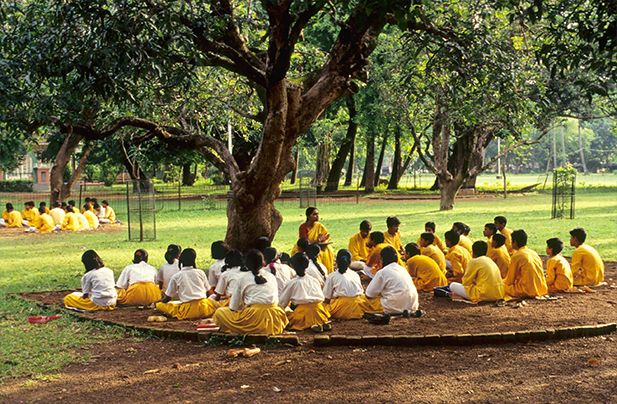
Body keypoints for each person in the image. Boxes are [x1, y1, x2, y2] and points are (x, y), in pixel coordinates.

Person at [213, 250, 288, 334]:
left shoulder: (242, 279)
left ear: (246, 265)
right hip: (274, 320)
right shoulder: (271, 276)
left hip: (253, 318)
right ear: (264, 263)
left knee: (219, 313)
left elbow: (234, 307)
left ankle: (244, 329)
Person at [155, 249, 217, 320]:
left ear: (181, 260)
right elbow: (208, 292)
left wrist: (157, 302)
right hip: (204, 308)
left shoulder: (176, 276)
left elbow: (168, 298)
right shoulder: (200, 273)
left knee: (161, 305)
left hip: (187, 311)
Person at [361, 246, 419, 315]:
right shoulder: (402, 269)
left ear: (382, 259)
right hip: (412, 306)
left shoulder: (382, 272)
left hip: (392, 308)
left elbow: (369, 294)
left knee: (361, 301)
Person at [279, 253, 330, 331]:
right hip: (319, 311)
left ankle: (310, 325)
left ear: (292, 266)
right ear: (307, 265)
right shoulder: (314, 280)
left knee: (288, 315)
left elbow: (282, 303)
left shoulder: (292, 283)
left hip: (303, 314)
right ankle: (319, 323)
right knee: (318, 317)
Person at [504, 230, 548, 298]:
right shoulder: (534, 253)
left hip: (526, 290)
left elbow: (510, 280)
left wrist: (501, 281)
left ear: (515, 242)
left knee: (501, 287)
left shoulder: (516, 256)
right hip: (541, 289)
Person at [323, 249, 365, 320]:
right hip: (357, 309)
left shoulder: (332, 276)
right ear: (350, 263)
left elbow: (327, 298)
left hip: (341, 309)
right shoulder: (355, 274)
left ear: (336, 261)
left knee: (320, 308)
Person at [295, 207, 335, 273]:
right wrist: (316, 241)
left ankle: (328, 272)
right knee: (318, 255)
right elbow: (304, 242)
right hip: (306, 247)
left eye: (317, 214)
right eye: (314, 214)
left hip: (319, 247)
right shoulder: (303, 227)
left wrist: (323, 240)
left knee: (329, 251)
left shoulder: (320, 226)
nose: (317, 216)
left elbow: (326, 237)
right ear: (308, 216)